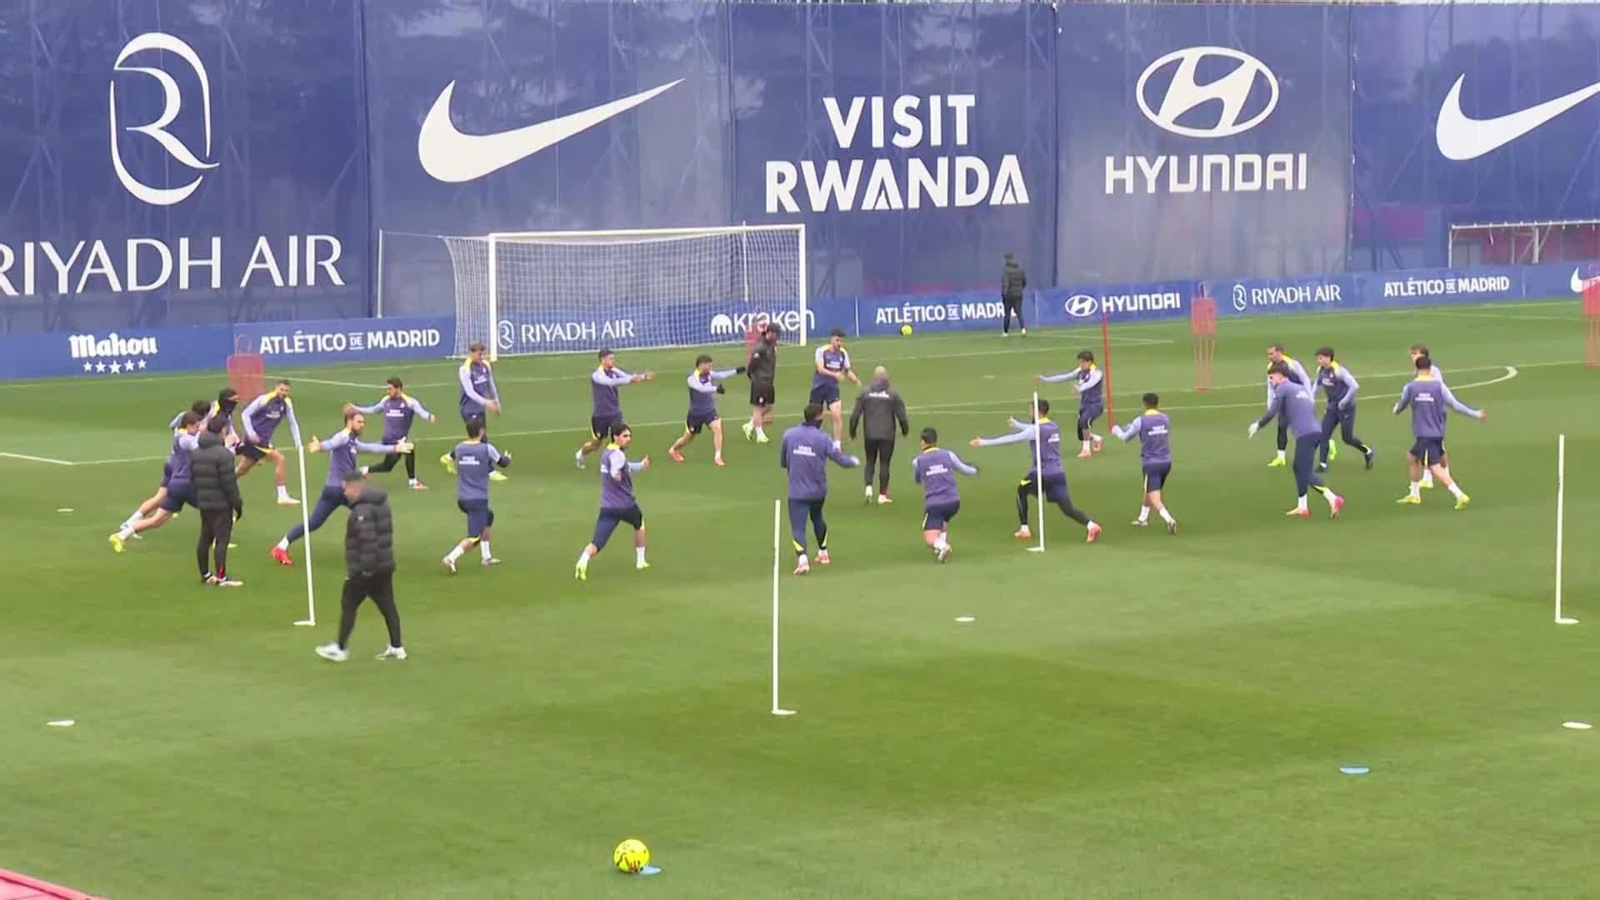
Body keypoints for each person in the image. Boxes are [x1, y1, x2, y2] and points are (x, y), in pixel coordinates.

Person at [271, 410, 411, 566]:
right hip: (343, 491)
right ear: (349, 422)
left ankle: (281, 546)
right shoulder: (343, 436)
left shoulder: (352, 440)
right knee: (370, 514)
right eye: (359, 422)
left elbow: (371, 448)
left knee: (314, 523)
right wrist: (320, 446)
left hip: (332, 490)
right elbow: (332, 443)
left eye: (363, 422)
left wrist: (395, 448)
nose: (362, 425)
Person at [970, 398, 1102, 543]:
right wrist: (1017, 424)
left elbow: (1012, 439)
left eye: (1031, 409)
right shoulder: (1053, 426)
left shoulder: (1036, 429)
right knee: (1067, 509)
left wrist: (984, 442)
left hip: (1042, 472)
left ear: (1036, 411)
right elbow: (1031, 430)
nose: (1029, 412)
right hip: (1058, 473)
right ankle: (1091, 525)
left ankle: (1024, 529)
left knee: (1021, 490)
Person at [316, 471, 405, 662]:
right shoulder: (380, 502)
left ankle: (340, 648)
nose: (345, 494)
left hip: (367, 569)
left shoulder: (361, 512)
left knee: (349, 605)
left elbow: (368, 542)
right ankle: (397, 647)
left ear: (355, 488)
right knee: (388, 606)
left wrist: (364, 571)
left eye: (346, 489)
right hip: (384, 564)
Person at [1249, 362, 1345, 518]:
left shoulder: (1282, 388)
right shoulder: (1300, 389)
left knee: (1305, 472)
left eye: (1271, 378)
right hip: (1315, 431)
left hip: (1305, 435)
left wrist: (1258, 425)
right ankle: (1302, 506)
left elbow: (1272, 411)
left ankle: (1333, 498)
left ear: (1281, 376)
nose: (1271, 382)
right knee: (1297, 467)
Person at [1393, 354, 1485, 509]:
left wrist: (1395, 409)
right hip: (1438, 432)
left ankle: (1459, 494)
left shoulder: (1410, 387)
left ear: (1416, 368)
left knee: (1435, 467)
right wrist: (1476, 414)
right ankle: (1414, 495)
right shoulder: (1439, 386)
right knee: (1412, 457)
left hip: (1424, 434)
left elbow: (1401, 406)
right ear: (1430, 369)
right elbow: (1455, 405)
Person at [780, 403, 860, 575]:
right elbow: (841, 460)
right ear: (818, 418)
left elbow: (783, 462)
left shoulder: (789, 435)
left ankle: (802, 559)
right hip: (818, 490)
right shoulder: (823, 438)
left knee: (798, 526)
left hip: (797, 491)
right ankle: (823, 553)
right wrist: (854, 461)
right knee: (817, 517)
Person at [109, 412, 204, 551]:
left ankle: (121, 535)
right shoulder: (186, 439)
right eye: (196, 426)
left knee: (157, 520)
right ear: (189, 425)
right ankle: (218, 541)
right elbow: (200, 447)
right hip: (186, 485)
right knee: (215, 509)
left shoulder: (180, 433)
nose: (199, 428)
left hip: (175, 485)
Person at [575, 424, 651, 580]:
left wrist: (641, 466)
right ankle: (641, 561)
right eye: (624, 436)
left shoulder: (606, 453)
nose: (628, 439)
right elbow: (617, 468)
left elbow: (626, 466)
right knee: (639, 523)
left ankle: (583, 561)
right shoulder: (617, 455)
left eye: (629, 436)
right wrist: (616, 474)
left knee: (597, 543)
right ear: (615, 437)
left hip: (607, 507)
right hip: (626, 505)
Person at [443, 419, 511, 572]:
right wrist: (508, 458)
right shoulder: (486, 449)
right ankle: (451, 558)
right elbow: (503, 463)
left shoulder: (459, 448)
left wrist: (455, 468)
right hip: (477, 499)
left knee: (488, 516)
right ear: (481, 431)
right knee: (474, 537)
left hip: (463, 498)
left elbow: (448, 458)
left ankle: (486, 557)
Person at [350, 377, 437, 490]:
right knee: (408, 450)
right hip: (389, 440)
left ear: (398, 389)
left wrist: (429, 416)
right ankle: (413, 482)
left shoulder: (410, 402)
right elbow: (373, 409)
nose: (387, 391)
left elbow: (421, 412)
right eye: (387, 389)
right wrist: (355, 409)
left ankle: (364, 470)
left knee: (388, 466)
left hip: (399, 440)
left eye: (390, 389)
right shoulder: (386, 400)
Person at [575, 349, 654, 468]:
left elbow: (628, 377)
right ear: (603, 360)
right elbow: (611, 383)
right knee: (595, 445)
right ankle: (580, 453)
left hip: (615, 413)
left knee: (621, 438)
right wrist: (630, 379)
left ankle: (619, 464)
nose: (613, 360)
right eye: (611, 358)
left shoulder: (614, 370)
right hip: (600, 415)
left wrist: (643, 377)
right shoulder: (597, 375)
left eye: (613, 358)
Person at [1111, 392, 1177, 534]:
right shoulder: (1165, 418)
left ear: (1144, 404)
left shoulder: (1140, 421)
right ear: (1158, 404)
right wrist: (1132, 426)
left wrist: (1116, 430)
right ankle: (1142, 519)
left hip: (1151, 463)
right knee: (1148, 489)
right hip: (1166, 461)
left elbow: (1125, 438)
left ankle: (1169, 519)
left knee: (1154, 496)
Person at [190, 416, 245, 586]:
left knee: (205, 538)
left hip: (204, 502)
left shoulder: (196, 452)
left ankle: (205, 574)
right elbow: (229, 483)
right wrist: (237, 504)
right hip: (221, 504)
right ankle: (221, 577)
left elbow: (193, 477)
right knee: (221, 540)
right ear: (222, 430)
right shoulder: (224, 454)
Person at [910, 427, 978, 562]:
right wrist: (975, 470)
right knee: (943, 521)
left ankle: (943, 546)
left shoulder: (918, 461)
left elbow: (917, 479)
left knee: (929, 538)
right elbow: (965, 470)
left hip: (935, 503)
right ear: (936, 441)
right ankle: (940, 550)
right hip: (954, 501)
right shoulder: (948, 454)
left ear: (923, 442)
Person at [848, 365, 909, 504]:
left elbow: (855, 415)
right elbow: (902, 416)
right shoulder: (893, 393)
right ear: (886, 377)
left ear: (874, 378)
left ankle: (868, 488)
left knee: (870, 461)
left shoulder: (865, 393)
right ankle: (882, 495)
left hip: (870, 433)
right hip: (887, 434)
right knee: (884, 463)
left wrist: (853, 432)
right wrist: (905, 430)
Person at [669, 354, 744, 466]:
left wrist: (735, 371)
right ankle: (673, 450)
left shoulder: (708, 374)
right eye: (709, 365)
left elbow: (720, 375)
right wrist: (716, 389)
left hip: (709, 411)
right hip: (695, 413)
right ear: (701, 365)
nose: (710, 368)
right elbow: (701, 388)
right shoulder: (692, 379)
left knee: (718, 429)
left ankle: (718, 457)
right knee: (688, 438)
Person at [238, 380, 303, 505]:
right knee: (280, 459)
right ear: (276, 388)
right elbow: (245, 414)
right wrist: (251, 434)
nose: (284, 393)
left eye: (287, 391)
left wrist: (298, 442)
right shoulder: (264, 400)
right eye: (282, 389)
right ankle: (282, 496)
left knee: (243, 469)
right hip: (255, 440)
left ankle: (220, 484)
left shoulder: (287, 403)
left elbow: (292, 423)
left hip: (264, 440)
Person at [1312, 347, 1374, 472]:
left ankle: (1367, 451)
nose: (1318, 361)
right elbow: (1317, 385)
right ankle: (1323, 464)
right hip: (1332, 408)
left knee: (1347, 438)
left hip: (1346, 409)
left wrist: (1343, 402)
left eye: (1320, 358)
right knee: (1323, 435)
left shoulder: (1339, 371)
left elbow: (1354, 386)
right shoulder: (1321, 370)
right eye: (1317, 358)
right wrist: (1311, 398)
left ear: (1328, 358)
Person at [453, 341, 505, 481]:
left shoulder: (485, 365)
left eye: (482, 353)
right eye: (478, 353)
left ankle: (450, 456)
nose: (481, 356)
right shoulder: (465, 369)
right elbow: (469, 392)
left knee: (477, 438)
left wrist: (496, 402)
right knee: (482, 439)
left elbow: (491, 385)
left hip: (480, 408)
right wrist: (487, 403)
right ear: (471, 353)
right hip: (468, 408)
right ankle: (490, 471)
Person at [1038, 350, 1104, 458]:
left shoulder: (1097, 373)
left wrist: (1079, 388)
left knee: (1084, 421)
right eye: (1080, 362)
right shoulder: (1080, 371)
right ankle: (1097, 438)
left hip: (1096, 405)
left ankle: (1086, 450)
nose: (1080, 365)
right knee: (1081, 434)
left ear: (1089, 362)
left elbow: (1090, 384)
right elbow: (1064, 377)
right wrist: (1046, 379)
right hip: (1084, 405)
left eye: (1082, 362)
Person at [809, 328, 860, 448]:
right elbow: (820, 369)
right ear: (831, 339)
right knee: (816, 417)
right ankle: (812, 439)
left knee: (837, 414)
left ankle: (837, 444)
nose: (839, 343)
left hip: (832, 389)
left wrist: (856, 381)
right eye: (837, 340)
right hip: (818, 387)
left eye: (841, 341)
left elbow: (847, 371)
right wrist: (835, 374)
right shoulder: (821, 351)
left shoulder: (843, 353)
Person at [1262, 345, 1311, 468]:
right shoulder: (1270, 367)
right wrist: (1270, 407)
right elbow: (1270, 388)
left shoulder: (1292, 364)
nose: (1269, 356)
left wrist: (1309, 397)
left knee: (1304, 429)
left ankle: (1326, 443)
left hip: (1298, 401)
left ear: (1279, 353)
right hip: (1284, 401)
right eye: (1268, 354)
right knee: (1282, 427)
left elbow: (1305, 379)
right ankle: (1281, 457)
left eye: (1271, 354)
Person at [1409, 344, 1445, 489]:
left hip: (1434, 412)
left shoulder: (1433, 371)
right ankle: (1430, 475)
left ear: (1423, 355)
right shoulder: (1419, 370)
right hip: (1427, 412)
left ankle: (1435, 476)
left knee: (1431, 444)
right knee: (1433, 445)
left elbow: (1439, 389)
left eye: (1414, 353)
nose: (1412, 356)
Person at [744, 323, 780, 444]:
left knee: (769, 406)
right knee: (758, 408)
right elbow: (752, 363)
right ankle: (760, 434)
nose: (777, 336)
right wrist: (751, 375)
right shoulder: (760, 347)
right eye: (775, 334)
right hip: (760, 381)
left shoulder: (771, 345)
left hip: (769, 381)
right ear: (769, 332)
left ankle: (750, 425)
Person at [1001, 252, 1027, 337]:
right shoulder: (1020, 269)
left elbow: (1006, 283)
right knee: (1019, 312)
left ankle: (1005, 332)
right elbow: (1024, 281)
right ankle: (1023, 329)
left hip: (1009, 295)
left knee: (1007, 313)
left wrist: (1004, 294)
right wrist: (1021, 289)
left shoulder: (1006, 270)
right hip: (1019, 294)